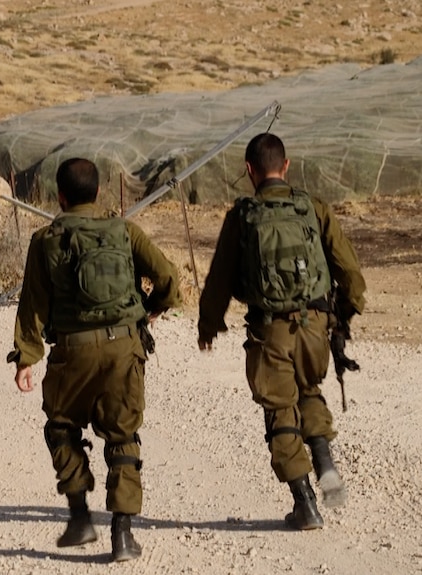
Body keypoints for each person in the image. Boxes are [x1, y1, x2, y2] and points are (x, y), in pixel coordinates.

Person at [9, 158, 181, 562]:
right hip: (124, 349)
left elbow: (32, 305)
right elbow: (170, 280)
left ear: (60, 196)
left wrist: (26, 358)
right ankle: (122, 536)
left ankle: (80, 517)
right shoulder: (125, 231)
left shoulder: (45, 240)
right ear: (100, 192)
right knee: (123, 437)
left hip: (72, 352)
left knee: (61, 428)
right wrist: (150, 309)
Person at [197, 133, 367, 530]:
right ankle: (324, 460)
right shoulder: (313, 207)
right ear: (286, 166)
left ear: (250, 171)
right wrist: (340, 317)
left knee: (279, 410)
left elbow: (219, 280)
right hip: (315, 327)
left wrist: (208, 325)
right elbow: (352, 277)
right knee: (308, 390)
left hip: (269, 329)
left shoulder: (242, 216)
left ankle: (305, 504)